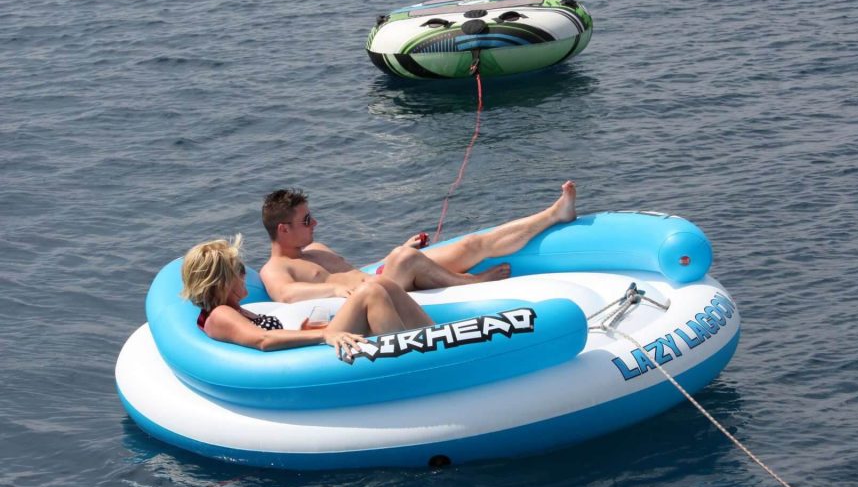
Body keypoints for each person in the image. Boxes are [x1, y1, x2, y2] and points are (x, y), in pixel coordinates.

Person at [259, 181, 577, 303]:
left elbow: (356, 272)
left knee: (470, 244)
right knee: (401, 259)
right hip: (371, 300)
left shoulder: (316, 249)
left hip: (385, 280)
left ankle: (553, 214)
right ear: (283, 230)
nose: (315, 224)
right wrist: (333, 289)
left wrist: (400, 251)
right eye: (306, 221)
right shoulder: (275, 269)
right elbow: (286, 295)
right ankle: (469, 283)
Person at [181, 236, 433, 359]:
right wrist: (324, 334)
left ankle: (436, 338)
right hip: (301, 364)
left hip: (304, 349)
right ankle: (409, 360)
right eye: (239, 270)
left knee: (379, 283)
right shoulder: (221, 314)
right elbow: (263, 339)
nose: (245, 274)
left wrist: (305, 329)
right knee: (371, 291)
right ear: (221, 281)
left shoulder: (233, 309)